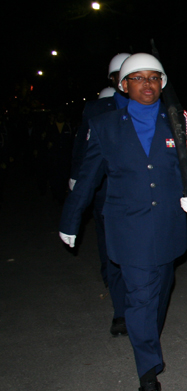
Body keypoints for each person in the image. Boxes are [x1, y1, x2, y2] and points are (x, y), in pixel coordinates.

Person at [59, 53, 187, 391]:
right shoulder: (106, 126)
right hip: (128, 228)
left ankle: (147, 339)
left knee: (159, 294)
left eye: (154, 78)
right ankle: (148, 376)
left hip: (167, 228)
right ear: (123, 84)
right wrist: (71, 218)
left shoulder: (182, 121)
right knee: (141, 299)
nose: (147, 84)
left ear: (162, 83)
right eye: (138, 78)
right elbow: (88, 178)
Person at [69, 53, 131, 337]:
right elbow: (83, 148)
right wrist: (77, 178)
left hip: (146, 196)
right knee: (115, 255)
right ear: (113, 79)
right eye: (125, 75)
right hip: (108, 193)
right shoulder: (97, 110)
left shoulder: (155, 107)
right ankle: (121, 311)